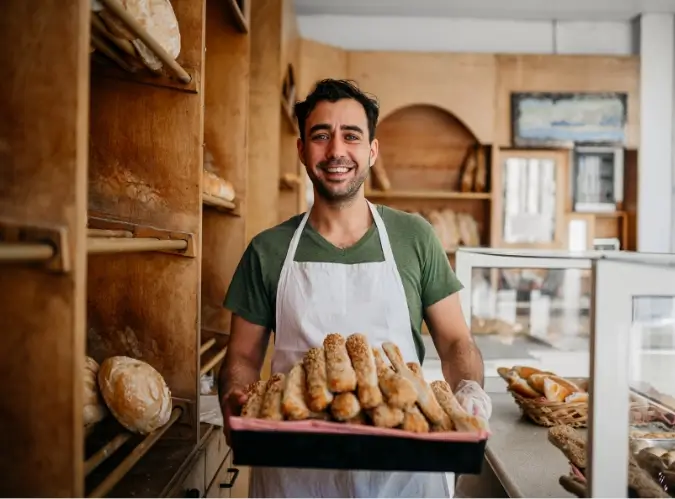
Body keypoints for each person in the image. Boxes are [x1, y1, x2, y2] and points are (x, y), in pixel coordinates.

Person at [218, 78, 491, 498]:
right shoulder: (268, 249)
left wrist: (469, 389)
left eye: (351, 136)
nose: (336, 151)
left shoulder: (414, 237)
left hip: (406, 476)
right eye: (321, 136)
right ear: (302, 149)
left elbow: (456, 341)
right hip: (296, 475)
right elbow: (240, 356)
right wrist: (236, 396)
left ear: (371, 150)